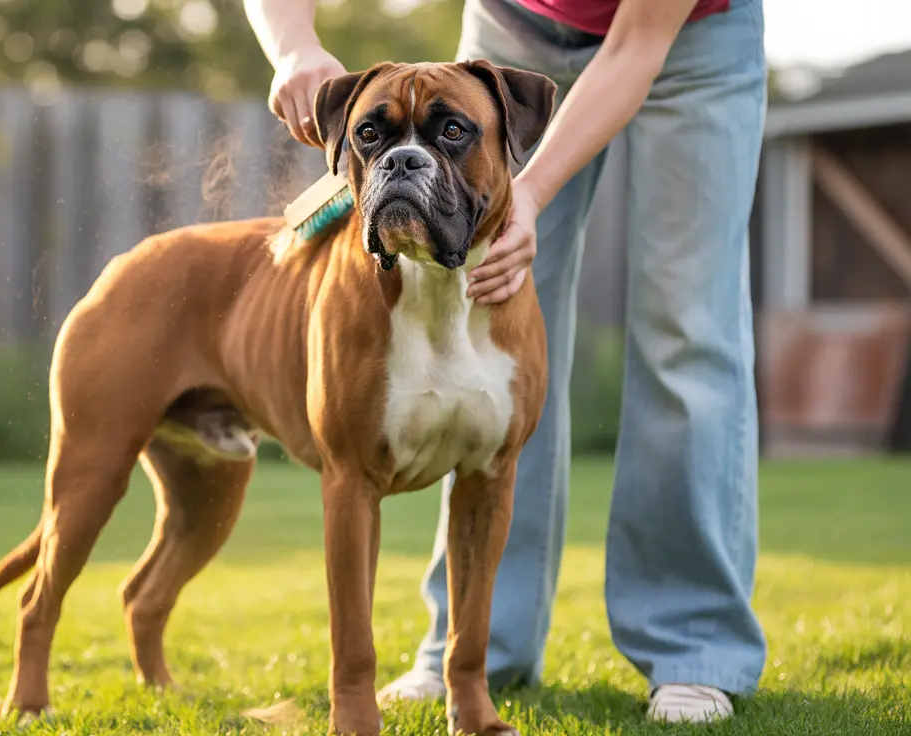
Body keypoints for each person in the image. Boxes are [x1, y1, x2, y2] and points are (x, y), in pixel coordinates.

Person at [243, 0, 767, 724]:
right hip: (512, 22)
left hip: (683, 38)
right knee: (485, 333)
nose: (403, 161)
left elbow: (635, 46)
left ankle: (693, 651)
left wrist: (530, 193)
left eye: (445, 137)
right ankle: (477, 661)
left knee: (687, 325)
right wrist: (293, 45)